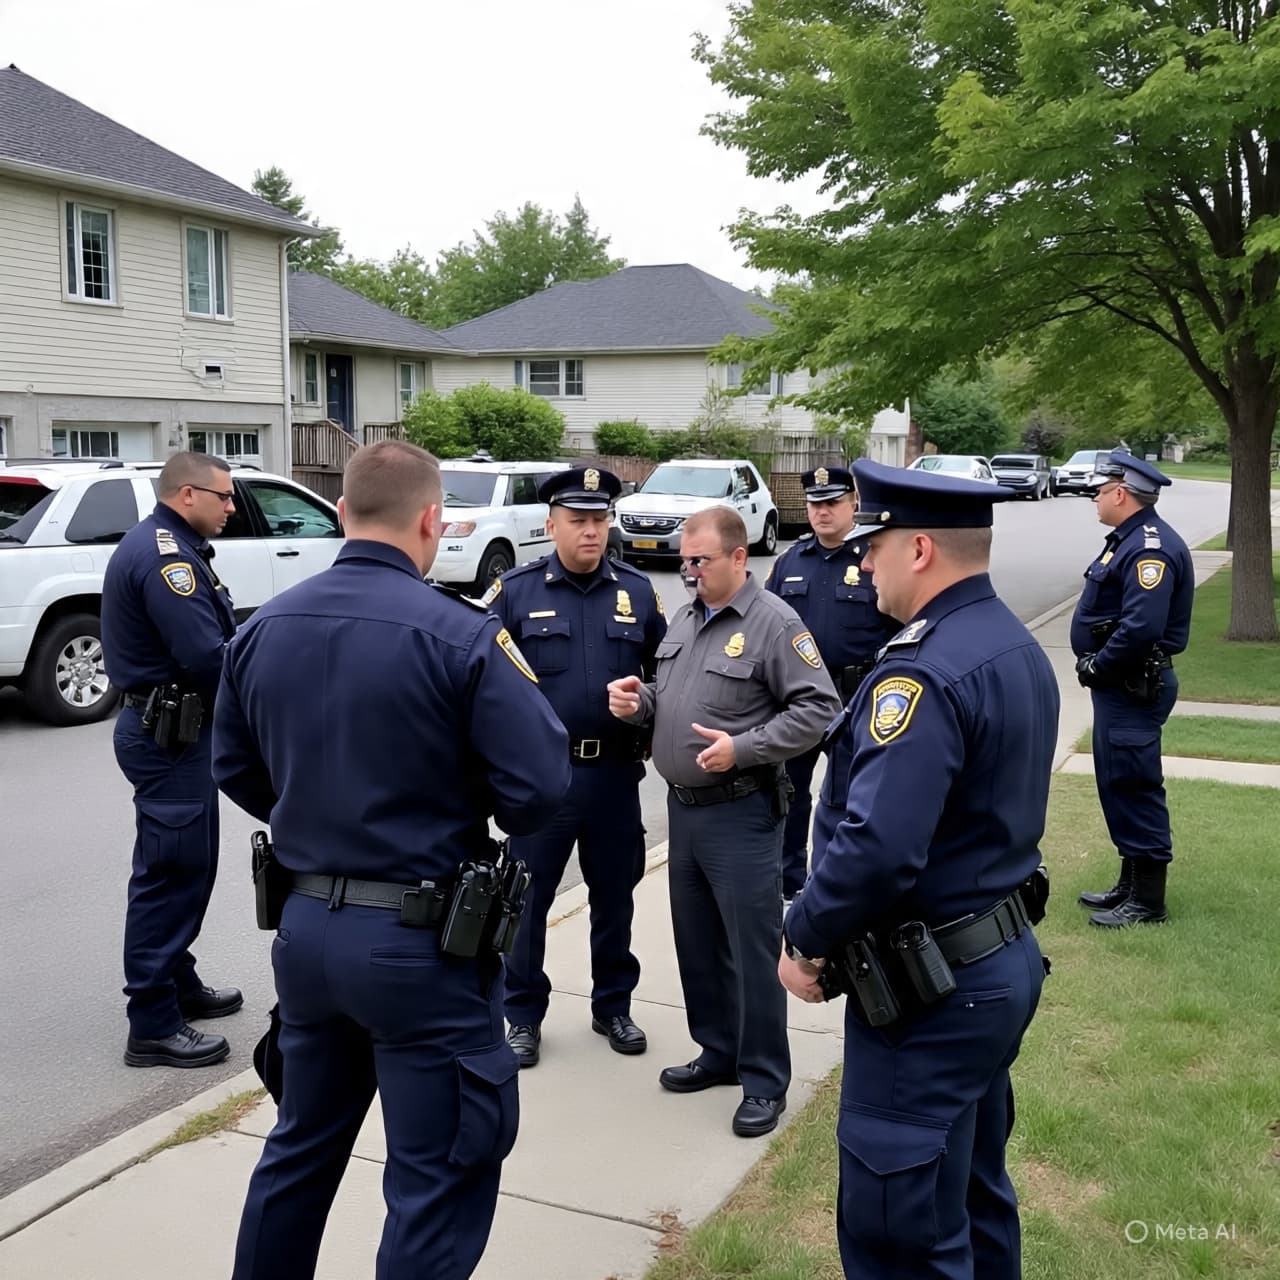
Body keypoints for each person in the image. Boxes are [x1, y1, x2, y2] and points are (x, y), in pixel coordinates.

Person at [212, 439, 572, 1280]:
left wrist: (318, 816)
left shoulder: (263, 627)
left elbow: (233, 765)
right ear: (432, 520)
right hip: (421, 946)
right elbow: (538, 787)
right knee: (436, 1178)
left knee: (298, 1152)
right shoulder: (462, 633)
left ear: (342, 513)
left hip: (306, 933)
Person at [778, 458, 1058, 1280]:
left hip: (934, 993)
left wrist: (804, 936)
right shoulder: (1009, 642)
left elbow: (876, 851)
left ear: (921, 549)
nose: (864, 563)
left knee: (902, 1238)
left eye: (876, 546)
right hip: (994, 961)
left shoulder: (922, 673)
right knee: (971, 1196)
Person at [607, 507, 840, 1138]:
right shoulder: (686, 618)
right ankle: (719, 1052)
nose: (689, 571)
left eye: (700, 561)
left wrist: (743, 747)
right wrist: (639, 704)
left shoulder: (774, 623)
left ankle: (764, 1079)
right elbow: (672, 698)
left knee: (751, 948)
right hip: (685, 812)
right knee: (698, 942)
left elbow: (819, 709)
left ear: (739, 557)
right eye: (684, 561)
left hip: (741, 811)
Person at [484, 466, 666, 1068]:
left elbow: (667, 672)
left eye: (600, 519)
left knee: (615, 897)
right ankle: (522, 1016)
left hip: (614, 776)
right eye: (578, 520)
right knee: (527, 902)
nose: (592, 531)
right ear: (551, 525)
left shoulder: (637, 592)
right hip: (545, 780)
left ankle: (613, 1006)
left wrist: (645, 710)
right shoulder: (516, 592)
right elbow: (483, 682)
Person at [101, 450, 242, 1069]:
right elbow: (206, 655)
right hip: (167, 736)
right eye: (224, 497)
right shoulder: (166, 559)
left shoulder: (172, 546)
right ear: (188, 494)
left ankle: (177, 982)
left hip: (177, 732)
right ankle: (153, 1023)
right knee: (168, 876)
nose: (231, 507)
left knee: (188, 867)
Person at [1071, 450, 1193, 927]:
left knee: (1136, 785)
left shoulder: (1148, 548)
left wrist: (1098, 666)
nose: (1095, 499)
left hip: (1133, 685)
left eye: (1100, 492)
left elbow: (1142, 627)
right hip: (1122, 687)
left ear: (1121, 493)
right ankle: (1130, 882)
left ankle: (1148, 901)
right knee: (1117, 783)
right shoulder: (1126, 540)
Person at [765, 466, 898, 897]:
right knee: (789, 794)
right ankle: (789, 887)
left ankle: (836, 888)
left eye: (832, 503)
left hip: (856, 698)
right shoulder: (790, 562)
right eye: (814, 504)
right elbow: (766, 629)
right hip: (798, 699)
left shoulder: (873, 558)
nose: (822, 511)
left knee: (849, 799)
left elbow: (900, 628)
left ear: (853, 504)